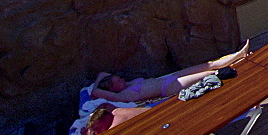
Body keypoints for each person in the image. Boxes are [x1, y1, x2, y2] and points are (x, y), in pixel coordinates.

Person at [91, 40, 250, 103]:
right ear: (112, 89)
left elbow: (102, 74)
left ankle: (239, 55)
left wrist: (107, 79)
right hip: (169, 87)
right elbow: (95, 92)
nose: (121, 80)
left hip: (171, 77)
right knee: (210, 75)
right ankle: (241, 64)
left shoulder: (127, 85)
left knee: (208, 65)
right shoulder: (123, 96)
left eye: (118, 78)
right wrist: (101, 86)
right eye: (117, 82)